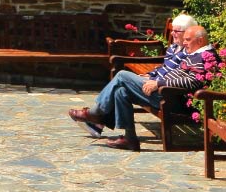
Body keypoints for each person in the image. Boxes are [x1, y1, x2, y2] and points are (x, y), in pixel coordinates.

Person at [69, 23, 217, 150]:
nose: (184, 43)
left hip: (172, 97)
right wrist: (153, 78)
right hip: (164, 91)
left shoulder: (205, 57)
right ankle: (130, 139)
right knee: (121, 91)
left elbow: (192, 82)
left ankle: (95, 114)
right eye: (184, 40)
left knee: (121, 75)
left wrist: (159, 83)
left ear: (200, 40)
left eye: (188, 40)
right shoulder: (195, 52)